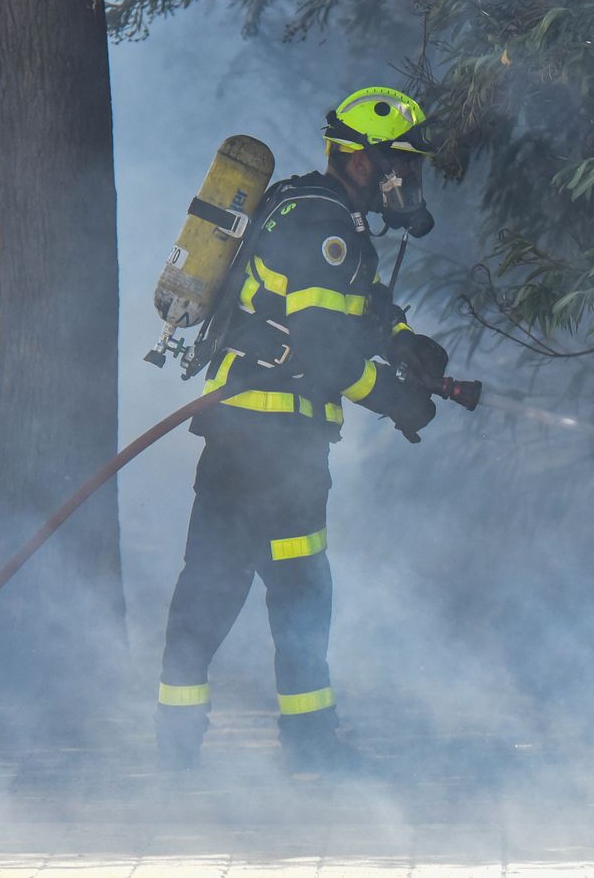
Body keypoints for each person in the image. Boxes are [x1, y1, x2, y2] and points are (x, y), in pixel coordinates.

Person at [156, 86, 451, 773]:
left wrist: (403, 341)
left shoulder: (308, 209)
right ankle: (312, 748)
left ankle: (176, 740)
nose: (406, 179)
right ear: (362, 161)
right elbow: (322, 350)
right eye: (400, 164)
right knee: (300, 593)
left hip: (238, 433)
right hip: (279, 443)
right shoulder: (327, 228)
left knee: (213, 583)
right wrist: (397, 401)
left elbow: (353, 308)